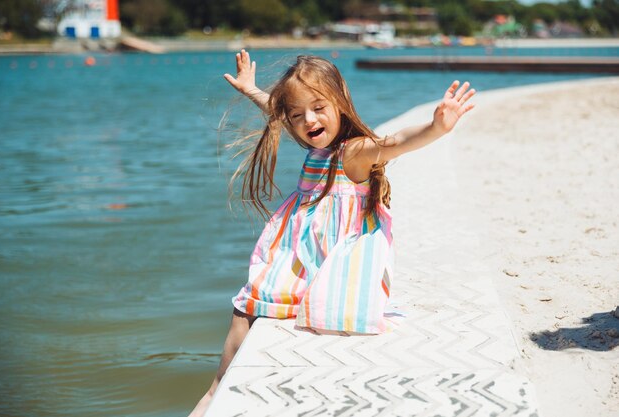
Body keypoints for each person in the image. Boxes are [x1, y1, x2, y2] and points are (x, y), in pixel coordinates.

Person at [188, 49, 475, 416]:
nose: (308, 120)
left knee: (248, 305)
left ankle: (216, 390)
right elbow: (277, 110)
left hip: (325, 262)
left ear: (340, 103)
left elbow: (395, 142)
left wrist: (436, 128)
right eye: (298, 114)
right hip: (301, 255)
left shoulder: (352, 152)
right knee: (247, 305)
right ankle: (216, 391)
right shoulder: (316, 146)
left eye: (319, 107)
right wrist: (251, 89)